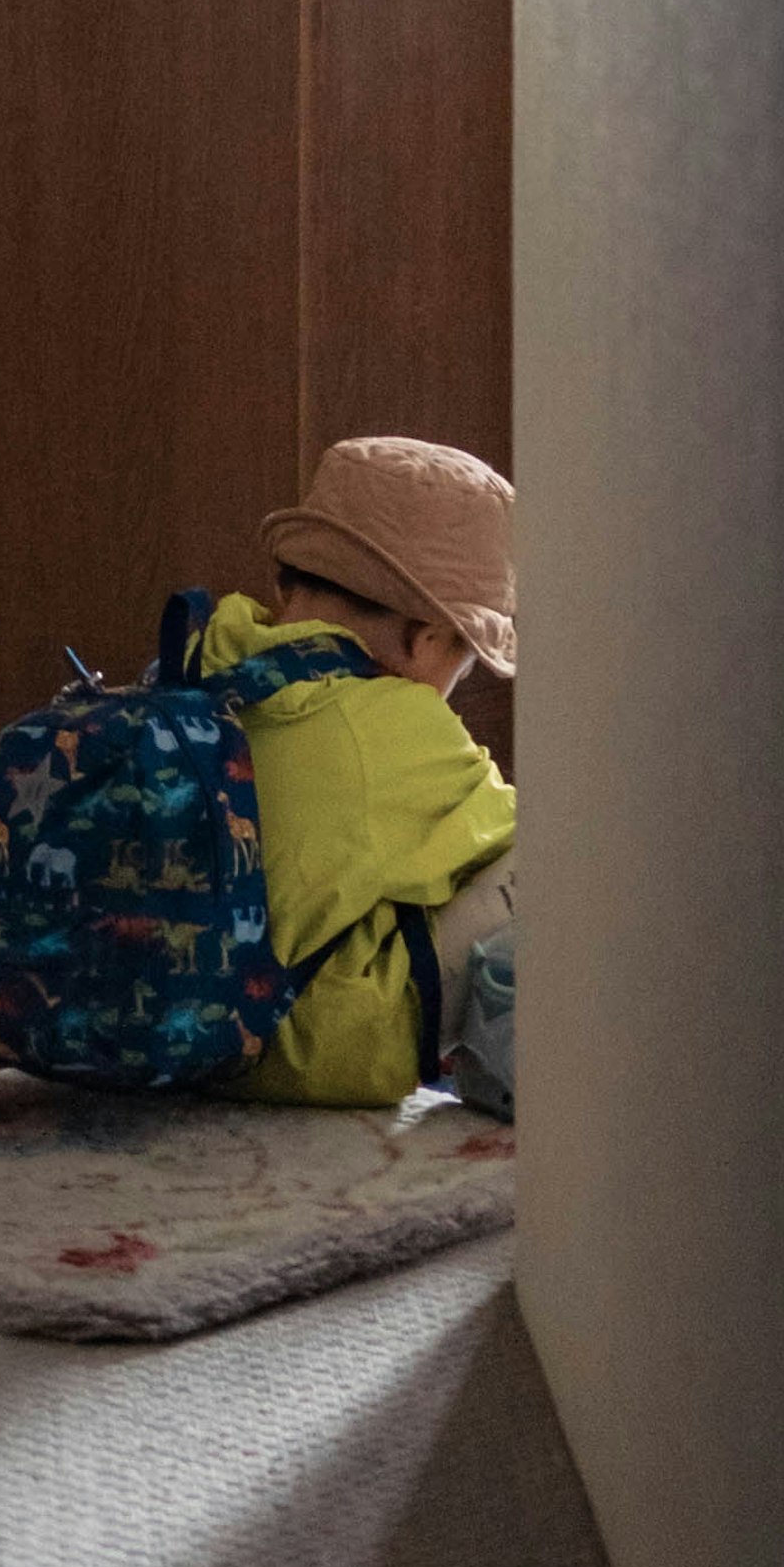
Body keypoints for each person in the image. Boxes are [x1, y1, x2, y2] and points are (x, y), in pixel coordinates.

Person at [203, 432, 518, 1108]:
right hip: (297, 1050)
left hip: (168, 1022)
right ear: (426, 637)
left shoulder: (206, 659)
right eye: (462, 660)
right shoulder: (398, 725)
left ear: (289, 582)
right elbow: (506, 827)